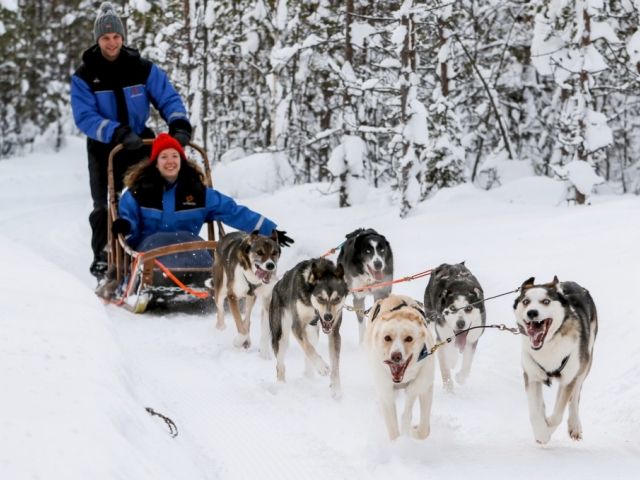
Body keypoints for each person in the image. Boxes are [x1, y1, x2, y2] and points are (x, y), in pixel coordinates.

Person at [71, 2, 192, 280]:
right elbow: (85, 117)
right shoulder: (85, 75)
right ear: (97, 40)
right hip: (105, 146)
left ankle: (154, 249)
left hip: (140, 142)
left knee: (151, 195)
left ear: (122, 38)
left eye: (116, 37)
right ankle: (103, 256)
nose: (111, 43)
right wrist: (115, 131)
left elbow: (167, 97)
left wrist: (179, 124)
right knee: (105, 204)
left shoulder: (141, 68)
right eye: (105, 38)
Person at [112, 133, 293, 264]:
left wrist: (269, 231)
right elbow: (130, 225)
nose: (170, 161)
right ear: (155, 162)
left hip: (189, 248)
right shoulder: (138, 193)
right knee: (159, 250)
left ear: (182, 160)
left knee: (203, 254)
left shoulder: (198, 193)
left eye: (175, 156)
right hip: (150, 250)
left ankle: (210, 284)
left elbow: (233, 211)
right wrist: (125, 226)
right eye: (164, 156)